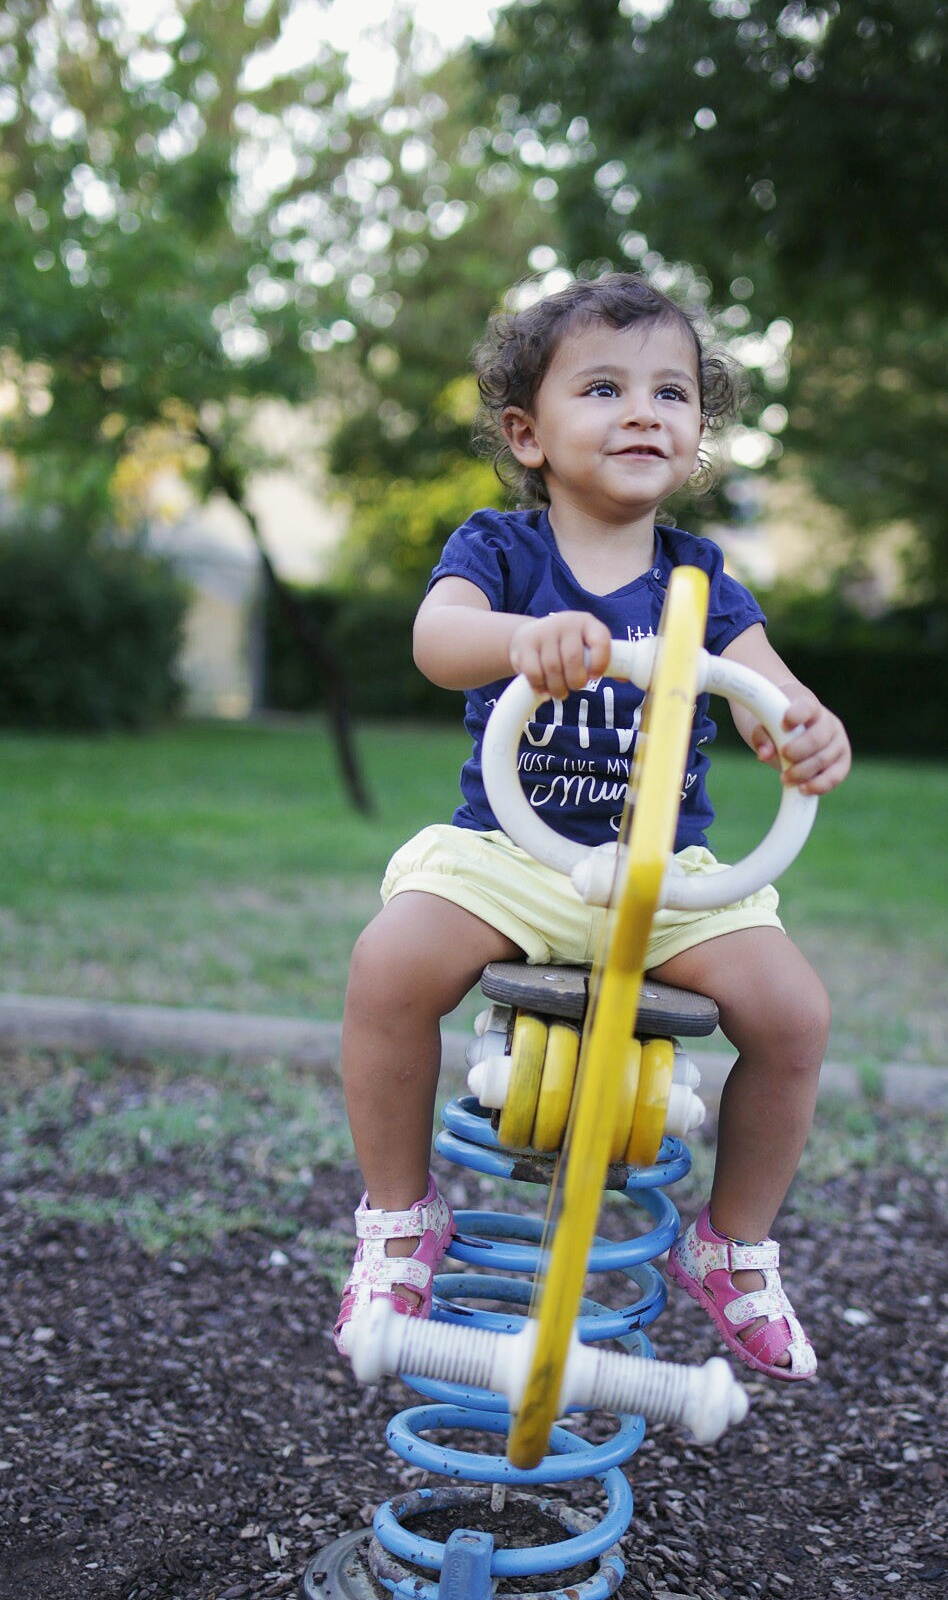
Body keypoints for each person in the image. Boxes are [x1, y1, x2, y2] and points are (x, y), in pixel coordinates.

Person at [335, 272, 851, 1381]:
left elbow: (774, 702)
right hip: (512, 858)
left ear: (699, 433)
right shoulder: (501, 551)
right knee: (388, 963)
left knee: (793, 1012)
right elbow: (436, 640)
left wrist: (808, 735)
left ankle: (734, 1243)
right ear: (528, 432)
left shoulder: (701, 581)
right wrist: (522, 640)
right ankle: (395, 1219)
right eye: (604, 387)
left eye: (671, 392)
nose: (641, 411)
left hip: (662, 872)